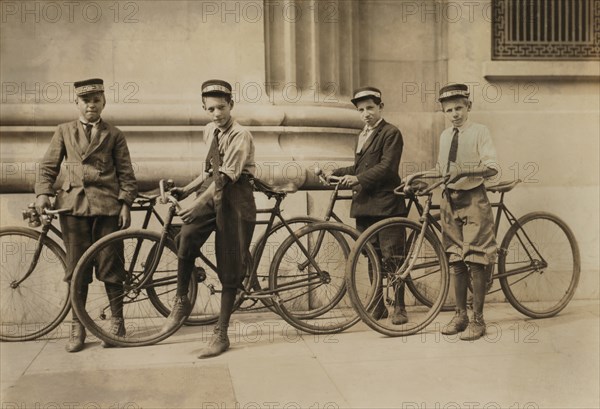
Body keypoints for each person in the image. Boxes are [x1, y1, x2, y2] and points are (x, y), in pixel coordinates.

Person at [35, 78, 138, 352]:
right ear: (76, 103)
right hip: (73, 208)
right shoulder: (63, 131)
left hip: (107, 208)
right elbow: (47, 167)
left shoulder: (114, 134)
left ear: (104, 102)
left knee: (111, 267)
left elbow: (127, 175)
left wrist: (126, 203)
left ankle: (117, 322)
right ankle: (77, 325)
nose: (91, 105)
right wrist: (42, 194)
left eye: (96, 100)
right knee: (76, 269)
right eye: (86, 100)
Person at [161, 79, 256, 358]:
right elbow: (209, 172)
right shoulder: (209, 131)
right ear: (204, 108)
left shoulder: (241, 134)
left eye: (222, 107)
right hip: (212, 192)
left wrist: (197, 202)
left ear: (231, 106)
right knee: (186, 237)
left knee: (229, 265)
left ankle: (221, 333)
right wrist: (186, 189)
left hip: (235, 199)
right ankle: (181, 300)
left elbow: (226, 176)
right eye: (211, 108)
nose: (217, 113)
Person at [325, 86, 408, 325]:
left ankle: (400, 306)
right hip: (365, 205)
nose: (366, 113)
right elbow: (359, 168)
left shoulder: (391, 133)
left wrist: (358, 179)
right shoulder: (361, 135)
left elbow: (387, 167)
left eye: (370, 108)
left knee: (394, 257)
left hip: (387, 203)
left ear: (380, 107)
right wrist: (336, 172)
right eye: (361, 110)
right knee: (373, 257)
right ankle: (378, 304)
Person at [433, 83, 498, 341]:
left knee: (476, 259)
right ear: (444, 112)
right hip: (450, 200)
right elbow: (442, 172)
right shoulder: (444, 136)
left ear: (468, 106)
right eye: (449, 110)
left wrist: (466, 171)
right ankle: (460, 316)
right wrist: (417, 179)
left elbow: (492, 167)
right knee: (456, 259)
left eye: (459, 107)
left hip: (473, 198)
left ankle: (478, 320)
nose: (455, 113)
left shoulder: (480, 132)